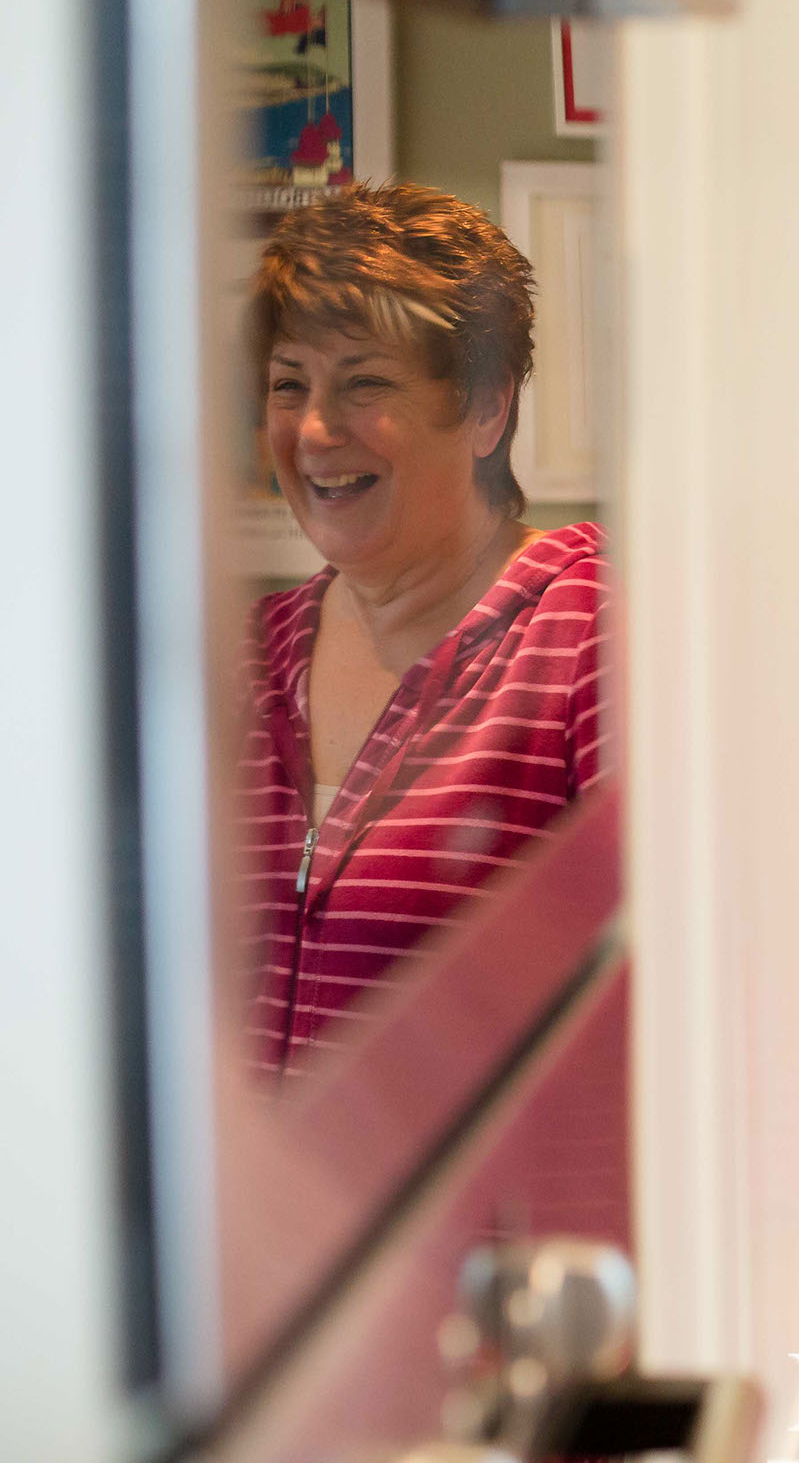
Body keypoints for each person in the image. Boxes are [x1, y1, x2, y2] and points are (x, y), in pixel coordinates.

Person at [241, 183, 607, 1076]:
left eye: (366, 383)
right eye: (291, 384)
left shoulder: (595, 637)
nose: (316, 431)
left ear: (486, 407)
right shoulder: (245, 656)